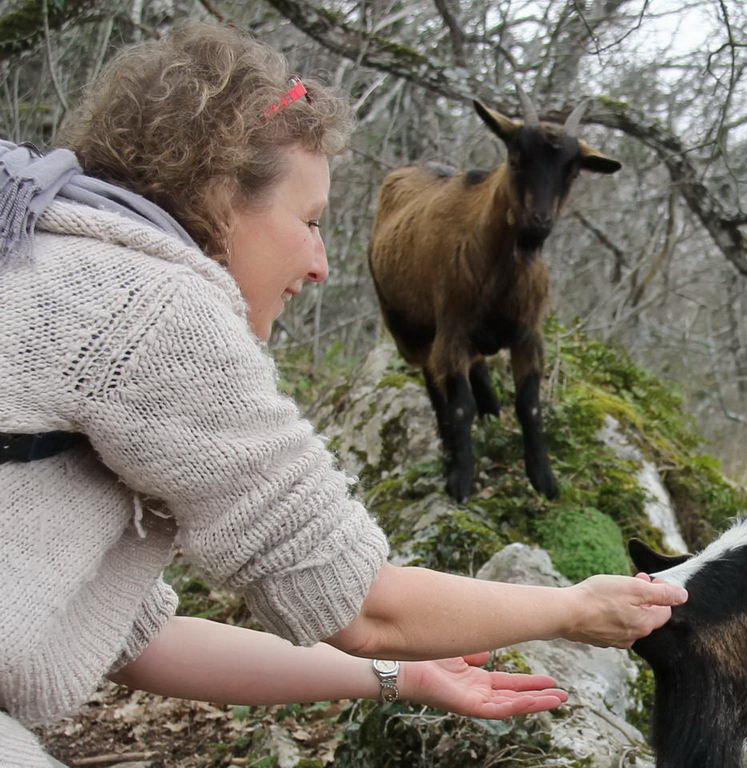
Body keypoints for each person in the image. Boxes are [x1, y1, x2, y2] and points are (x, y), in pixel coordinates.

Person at [0, 23, 687, 766]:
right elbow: (365, 606)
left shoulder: (54, 254)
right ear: (222, 193)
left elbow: (138, 637)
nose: (324, 263)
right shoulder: (156, 311)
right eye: (310, 222)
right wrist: (573, 609)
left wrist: (397, 676)